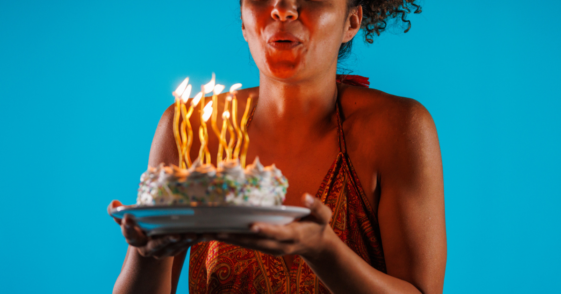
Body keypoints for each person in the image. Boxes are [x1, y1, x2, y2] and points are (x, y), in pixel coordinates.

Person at [109, 0, 446, 293]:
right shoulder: (191, 129)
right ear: (243, 20)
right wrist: (147, 251)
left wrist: (324, 250)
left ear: (352, 22)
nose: (282, 8)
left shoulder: (397, 129)